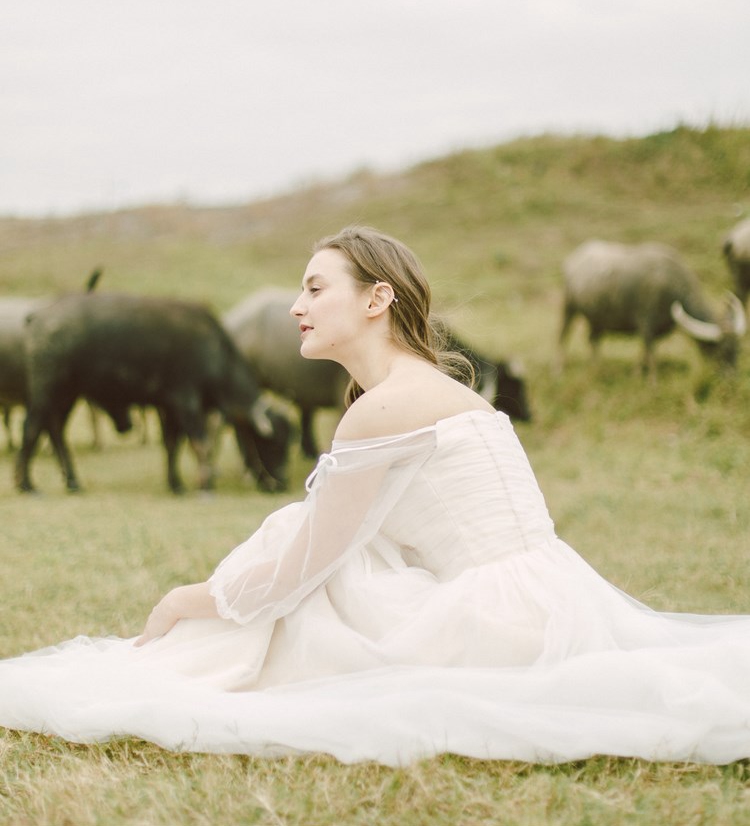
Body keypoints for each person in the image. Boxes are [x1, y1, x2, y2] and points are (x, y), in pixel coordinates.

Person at [0, 225, 749, 766]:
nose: (297, 304)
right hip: (551, 596)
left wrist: (185, 599)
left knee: (285, 545)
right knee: (304, 533)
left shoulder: (379, 409)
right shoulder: (435, 388)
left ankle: (186, 658)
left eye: (316, 287)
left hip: (495, 619)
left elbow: (299, 572)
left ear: (376, 299)